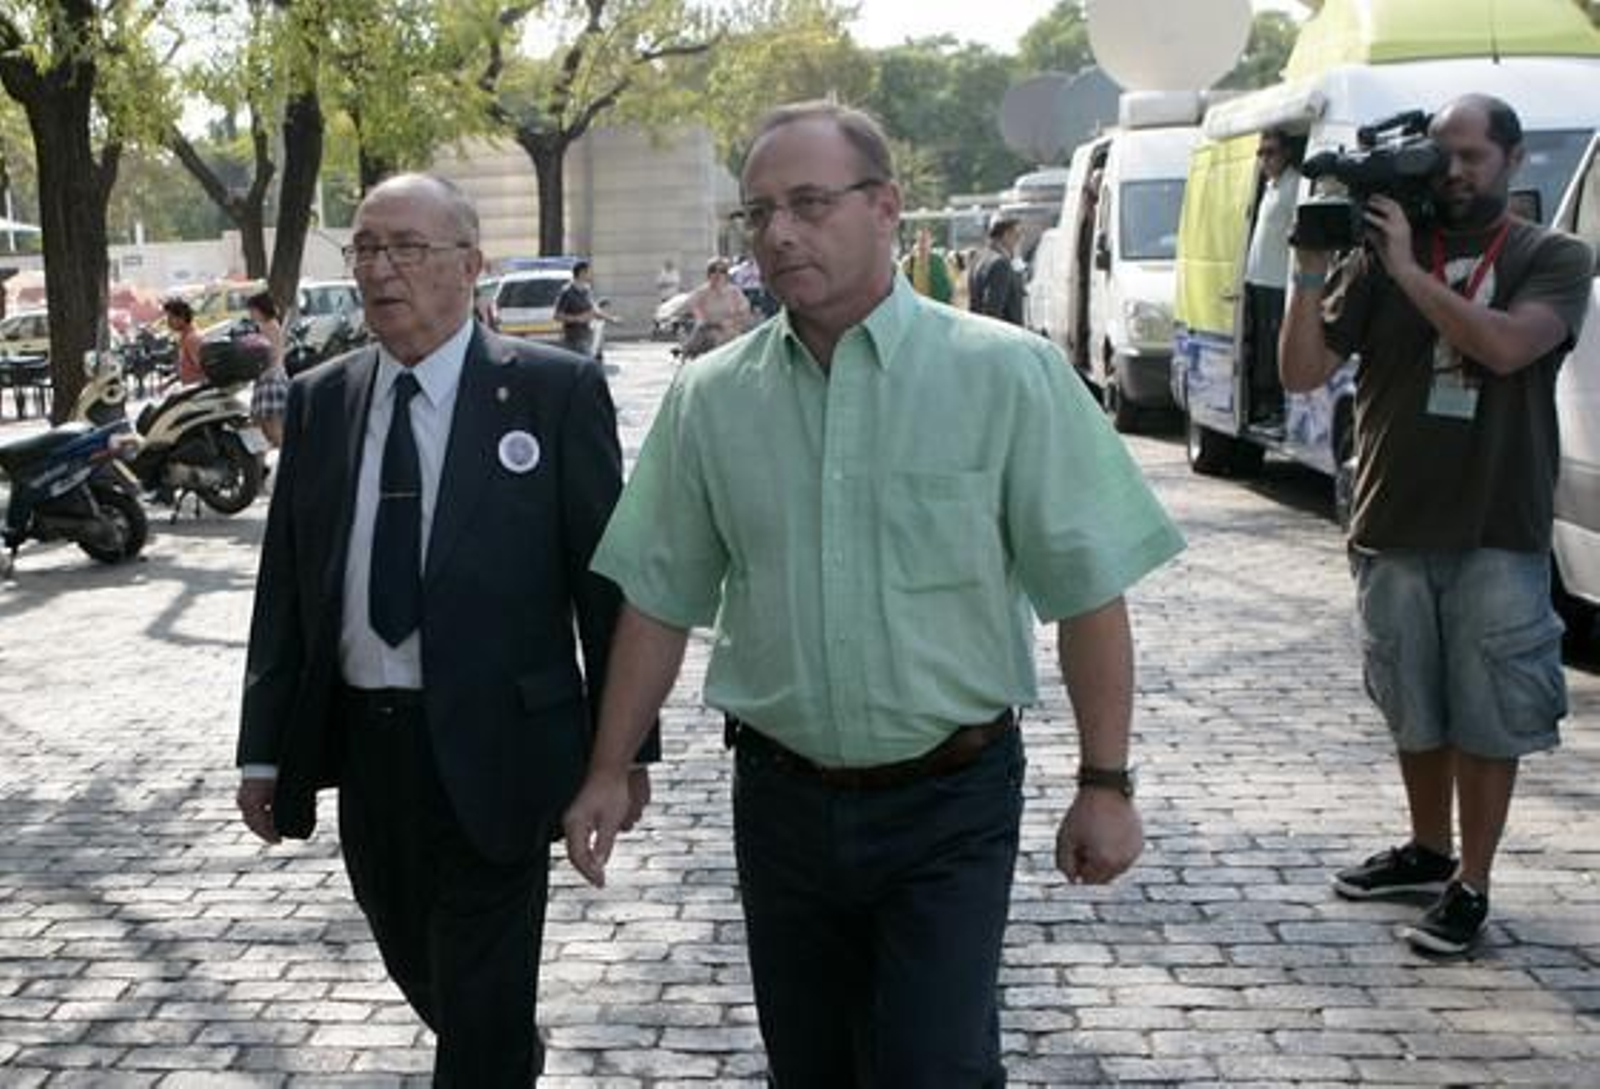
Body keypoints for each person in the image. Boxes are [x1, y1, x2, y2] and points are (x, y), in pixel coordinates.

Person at [563, 101, 1184, 1087]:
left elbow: (1088, 595)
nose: (777, 233)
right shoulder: (711, 398)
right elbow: (659, 597)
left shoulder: (1007, 375)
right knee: (810, 1068)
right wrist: (609, 766)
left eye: (808, 203)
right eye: (758, 212)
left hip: (951, 802)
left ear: (887, 206)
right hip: (780, 805)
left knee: (933, 1067)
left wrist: (1105, 784)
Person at [234, 173, 653, 1085]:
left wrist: (622, 755)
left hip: (505, 744)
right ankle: (500, 1042)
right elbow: (286, 586)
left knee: (480, 991)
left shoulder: (553, 391)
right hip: (367, 746)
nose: (381, 269)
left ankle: (492, 1048)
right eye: (366, 248)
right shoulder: (323, 398)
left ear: (470, 265)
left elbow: (606, 584)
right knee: (420, 961)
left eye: (407, 248)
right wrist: (262, 748)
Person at [1280, 95, 1592, 956]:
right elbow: (1302, 372)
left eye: (1472, 157)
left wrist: (1411, 272)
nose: (1452, 172)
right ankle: (1428, 848)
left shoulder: (1551, 256)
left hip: (1496, 524)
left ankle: (1472, 882)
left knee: (1488, 713)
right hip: (1392, 518)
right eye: (1439, 155)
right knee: (1412, 701)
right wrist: (1309, 272)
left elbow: (1505, 347)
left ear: (1513, 159)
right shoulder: (1378, 258)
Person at [1244, 129, 1304, 427]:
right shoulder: (1271, 185)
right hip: (1259, 281)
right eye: (1261, 153)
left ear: (1287, 153)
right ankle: (1265, 406)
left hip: (1278, 283)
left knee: (1274, 349)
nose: (1265, 159)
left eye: (1271, 152)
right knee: (1259, 348)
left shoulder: (1294, 185)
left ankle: (1276, 409)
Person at [682, 257, 754, 357]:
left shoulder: (735, 292)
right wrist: (702, 319)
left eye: (722, 271)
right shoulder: (701, 292)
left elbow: (745, 312)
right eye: (713, 270)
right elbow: (692, 307)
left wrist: (733, 322)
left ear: (726, 275)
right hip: (709, 331)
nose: (717, 274)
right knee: (709, 337)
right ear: (708, 274)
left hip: (732, 331)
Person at [246, 291, 288, 449]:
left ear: (260, 309)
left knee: (272, 428)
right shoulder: (269, 325)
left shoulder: (268, 326)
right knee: (265, 426)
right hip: (270, 378)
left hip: (271, 378)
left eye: (252, 310)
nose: (251, 314)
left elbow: (271, 355)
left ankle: (286, 457)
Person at [968, 214, 1024, 325]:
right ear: (1006, 234)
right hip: (1003, 332)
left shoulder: (978, 258)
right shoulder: (1000, 264)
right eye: (1017, 235)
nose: (1019, 240)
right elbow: (993, 310)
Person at [553, 259, 610, 357]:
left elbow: (593, 310)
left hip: (587, 336)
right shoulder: (567, 292)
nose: (590, 275)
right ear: (581, 273)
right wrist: (577, 318)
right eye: (588, 272)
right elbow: (557, 316)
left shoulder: (587, 289)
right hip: (573, 339)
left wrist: (610, 318)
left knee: (589, 360)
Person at [900, 225, 954, 303]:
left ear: (931, 242)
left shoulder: (938, 262)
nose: (923, 244)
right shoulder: (908, 262)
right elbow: (901, 287)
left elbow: (948, 288)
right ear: (916, 241)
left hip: (934, 305)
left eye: (925, 240)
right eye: (920, 240)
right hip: (915, 305)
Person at [163, 298, 205, 386]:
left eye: (170, 318)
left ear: (182, 317)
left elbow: (203, 370)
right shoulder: (184, 338)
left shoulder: (192, 339)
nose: (168, 322)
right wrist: (171, 381)